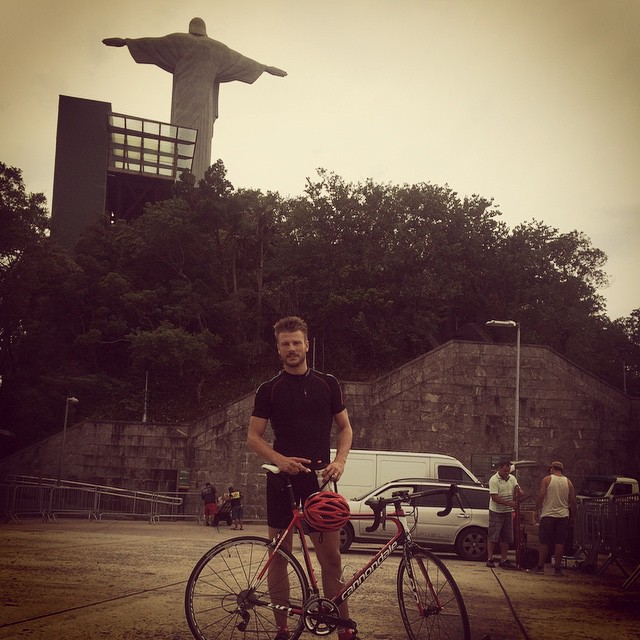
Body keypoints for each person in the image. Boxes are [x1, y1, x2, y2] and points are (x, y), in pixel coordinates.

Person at [247, 315, 355, 640]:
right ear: (278, 349)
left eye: (297, 342)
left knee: (331, 559)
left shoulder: (328, 383)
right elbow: (254, 437)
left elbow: (345, 428)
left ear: (307, 344)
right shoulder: (269, 390)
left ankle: (343, 630)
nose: (292, 348)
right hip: (282, 482)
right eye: (285, 344)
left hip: (319, 482)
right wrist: (280, 460)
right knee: (279, 557)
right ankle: (283, 630)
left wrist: (340, 460)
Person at [103, 17, 287, 180]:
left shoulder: (179, 40)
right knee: (186, 141)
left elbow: (153, 44)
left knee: (185, 140)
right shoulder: (217, 48)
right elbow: (241, 61)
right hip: (201, 104)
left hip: (183, 103)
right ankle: (190, 183)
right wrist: (265, 68)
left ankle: (189, 183)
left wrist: (127, 42)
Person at [533, 461, 577, 575]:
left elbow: (541, 496)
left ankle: (540, 567)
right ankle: (558, 569)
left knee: (544, 542)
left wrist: (536, 511)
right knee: (559, 543)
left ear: (552, 468)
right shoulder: (569, 482)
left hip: (548, 515)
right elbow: (573, 501)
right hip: (563, 516)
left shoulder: (547, 480)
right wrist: (573, 517)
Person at [486, 459, 524, 568]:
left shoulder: (512, 479)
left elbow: (517, 489)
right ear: (499, 469)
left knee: (506, 537)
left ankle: (504, 560)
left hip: (508, 512)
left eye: (508, 471)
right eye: (504, 471)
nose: (506, 473)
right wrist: (509, 503)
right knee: (493, 536)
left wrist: (519, 492)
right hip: (496, 511)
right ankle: (490, 559)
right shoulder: (493, 480)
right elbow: (495, 498)